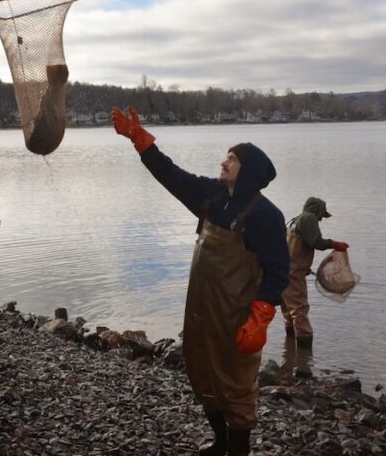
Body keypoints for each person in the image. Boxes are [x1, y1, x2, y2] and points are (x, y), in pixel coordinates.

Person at [111, 106, 289, 456]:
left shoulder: (266, 216)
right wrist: (141, 142)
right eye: (226, 158)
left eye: (232, 160)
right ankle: (221, 443)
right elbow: (172, 176)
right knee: (201, 375)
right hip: (200, 310)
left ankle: (238, 450)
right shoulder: (212, 196)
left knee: (236, 387)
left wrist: (261, 315)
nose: (223, 164)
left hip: (236, 317)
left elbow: (280, 270)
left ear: (247, 170)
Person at [279, 197, 349, 347]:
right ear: (316, 210)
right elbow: (317, 243)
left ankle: (290, 349)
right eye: (321, 215)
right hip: (293, 275)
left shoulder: (295, 219)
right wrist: (334, 244)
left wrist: (303, 266)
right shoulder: (309, 218)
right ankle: (305, 357)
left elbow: (290, 247)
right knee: (300, 309)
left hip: (283, 270)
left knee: (288, 309)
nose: (321, 219)